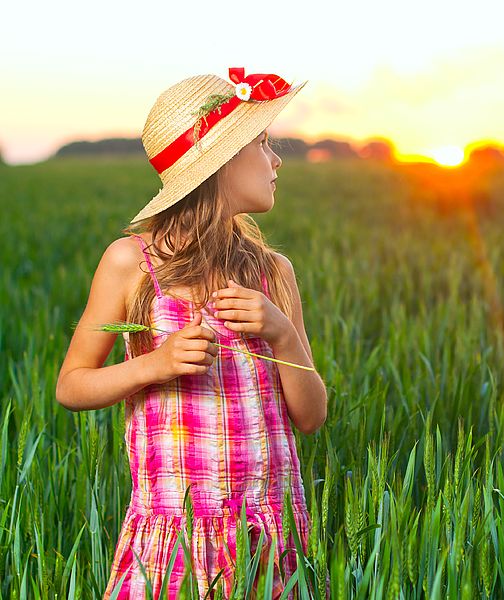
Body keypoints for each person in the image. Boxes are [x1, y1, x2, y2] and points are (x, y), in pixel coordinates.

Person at [55, 68, 329, 599]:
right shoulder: (132, 264)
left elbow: (313, 416)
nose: (277, 161)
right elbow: (71, 385)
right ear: (220, 162)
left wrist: (283, 335)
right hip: (174, 534)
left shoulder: (274, 273)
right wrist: (152, 366)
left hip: (266, 538)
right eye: (262, 144)